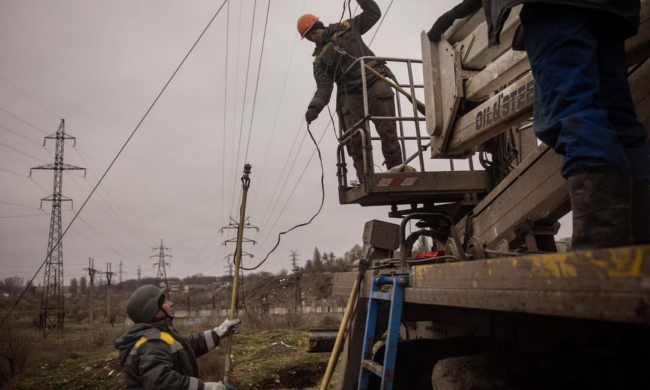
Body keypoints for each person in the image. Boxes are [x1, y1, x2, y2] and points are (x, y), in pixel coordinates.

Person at [427, 0, 650, 250]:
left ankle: (601, 246)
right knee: (618, 119)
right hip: (614, 11)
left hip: (555, 7)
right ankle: (638, 238)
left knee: (573, 113)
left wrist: (457, 14)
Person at [298, 0, 404, 184]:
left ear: (319, 26)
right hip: (349, 92)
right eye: (309, 37)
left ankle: (397, 173)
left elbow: (373, 13)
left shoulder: (348, 27)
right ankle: (366, 179)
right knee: (355, 139)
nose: (313, 38)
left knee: (387, 130)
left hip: (373, 79)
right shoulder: (319, 60)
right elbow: (324, 87)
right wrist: (314, 107)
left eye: (313, 32)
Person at [114, 285, 241, 390]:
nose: (170, 303)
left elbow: (187, 347)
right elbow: (163, 383)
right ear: (154, 310)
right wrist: (207, 387)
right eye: (164, 302)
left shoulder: (159, 335)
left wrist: (218, 333)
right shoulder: (151, 343)